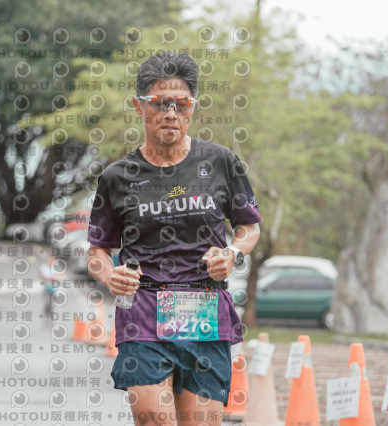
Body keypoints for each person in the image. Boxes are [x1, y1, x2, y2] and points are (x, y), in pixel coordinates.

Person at [87, 51, 261, 426]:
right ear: (139, 106)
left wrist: (232, 253)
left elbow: (249, 228)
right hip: (143, 309)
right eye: (159, 102)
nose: (170, 113)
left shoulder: (220, 162)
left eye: (181, 104)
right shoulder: (117, 177)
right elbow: (97, 251)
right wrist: (110, 275)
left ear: (192, 107)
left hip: (204, 309)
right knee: (154, 418)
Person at [39, 254, 65, 326]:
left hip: (54, 289)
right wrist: (50, 278)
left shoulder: (57, 268)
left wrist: (53, 278)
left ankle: (51, 320)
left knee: (52, 305)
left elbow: (61, 277)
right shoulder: (43, 267)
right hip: (46, 289)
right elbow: (41, 276)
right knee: (47, 304)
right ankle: (46, 319)